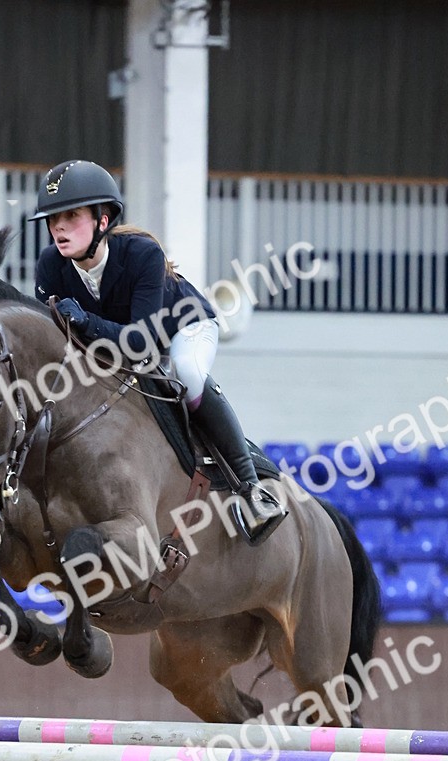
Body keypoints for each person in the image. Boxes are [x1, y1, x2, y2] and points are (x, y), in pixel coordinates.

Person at [30, 159, 286, 544]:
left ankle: (252, 492)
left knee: (188, 373)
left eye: (71, 216)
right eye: (52, 219)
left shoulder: (141, 253)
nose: (59, 227)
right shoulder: (51, 265)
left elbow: (141, 345)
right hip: (113, 343)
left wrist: (85, 321)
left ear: (103, 221)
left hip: (182, 328)